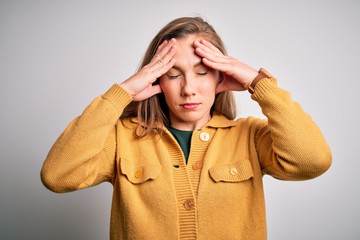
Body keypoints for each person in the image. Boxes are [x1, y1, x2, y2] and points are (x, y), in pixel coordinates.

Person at [40, 17, 332, 240]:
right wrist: (121, 95)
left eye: (202, 73)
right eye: (172, 74)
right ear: (156, 81)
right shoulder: (124, 137)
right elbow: (57, 175)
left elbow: (312, 161)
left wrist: (258, 83)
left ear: (222, 77)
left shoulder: (250, 136)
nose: (188, 89)